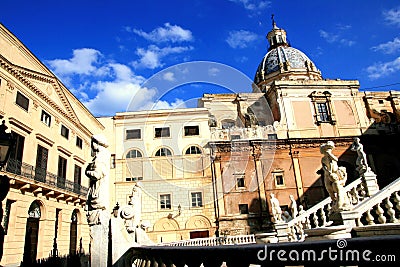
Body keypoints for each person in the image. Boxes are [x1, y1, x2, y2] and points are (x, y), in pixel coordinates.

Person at [85, 134, 110, 225]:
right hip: (100, 189)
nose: (91, 145)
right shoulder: (104, 156)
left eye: (92, 143)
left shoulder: (100, 157)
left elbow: (97, 175)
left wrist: (87, 171)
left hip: (98, 191)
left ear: (96, 143)